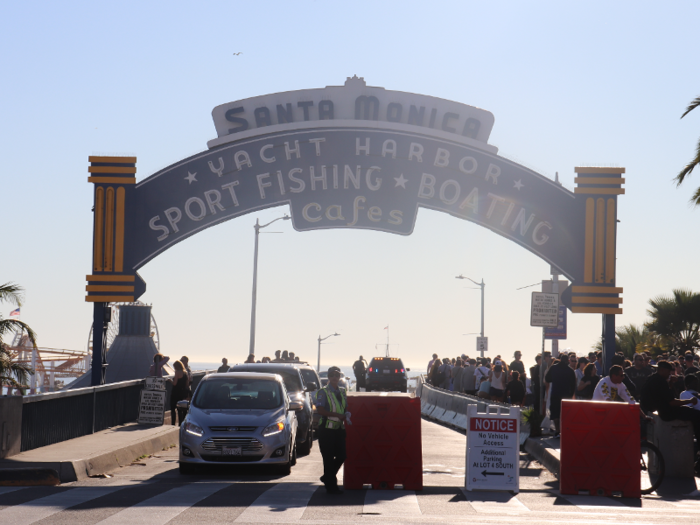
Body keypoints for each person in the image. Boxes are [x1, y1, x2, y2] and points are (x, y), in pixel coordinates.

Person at [641, 360, 700, 446]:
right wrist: (690, 401)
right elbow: (672, 402)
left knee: (690, 410)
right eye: (669, 371)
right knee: (696, 415)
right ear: (662, 370)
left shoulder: (652, 378)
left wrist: (670, 383)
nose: (670, 374)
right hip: (666, 413)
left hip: (656, 409)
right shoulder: (660, 381)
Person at [315, 366, 348, 494]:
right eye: (332, 375)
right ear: (328, 377)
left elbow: (344, 408)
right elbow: (320, 410)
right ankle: (332, 487)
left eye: (337, 375)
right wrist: (337, 416)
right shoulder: (323, 392)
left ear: (339, 377)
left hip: (339, 429)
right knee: (328, 459)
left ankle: (327, 477)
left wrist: (347, 414)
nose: (335, 377)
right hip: (326, 430)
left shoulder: (342, 391)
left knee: (341, 456)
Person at [544, 353, 577, 437]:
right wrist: (571, 395)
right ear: (567, 361)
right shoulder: (570, 371)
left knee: (555, 412)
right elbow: (573, 385)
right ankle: (563, 430)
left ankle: (557, 430)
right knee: (564, 413)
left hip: (555, 393)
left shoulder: (553, 368)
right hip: (566, 395)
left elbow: (547, 378)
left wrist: (554, 378)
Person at [170, 360, 189, 426]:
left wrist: (170, 381)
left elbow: (174, 383)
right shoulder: (185, 373)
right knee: (181, 409)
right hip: (182, 393)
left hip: (176, 392)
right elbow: (187, 384)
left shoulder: (177, 372)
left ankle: (173, 423)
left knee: (173, 408)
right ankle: (181, 423)